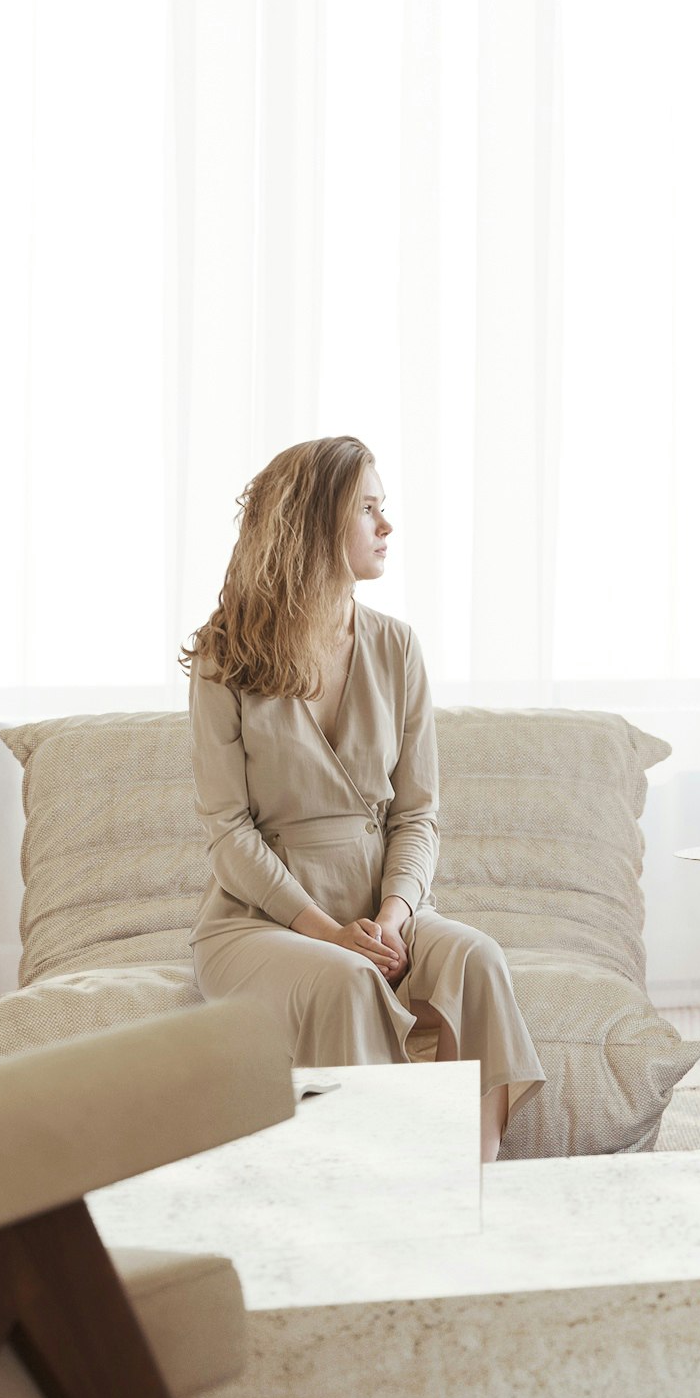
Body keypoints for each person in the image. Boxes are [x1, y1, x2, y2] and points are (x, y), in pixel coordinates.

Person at [183, 436, 542, 1158]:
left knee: (477, 958)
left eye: (386, 508)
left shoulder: (397, 647)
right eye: (369, 509)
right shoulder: (226, 653)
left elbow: (417, 814)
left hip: (383, 912)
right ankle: (374, 1191)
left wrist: (395, 914)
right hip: (262, 923)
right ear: (317, 524)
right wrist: (326, 928)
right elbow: (229, 830)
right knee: (346, 977)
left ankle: (474, 1184)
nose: (387, 526)